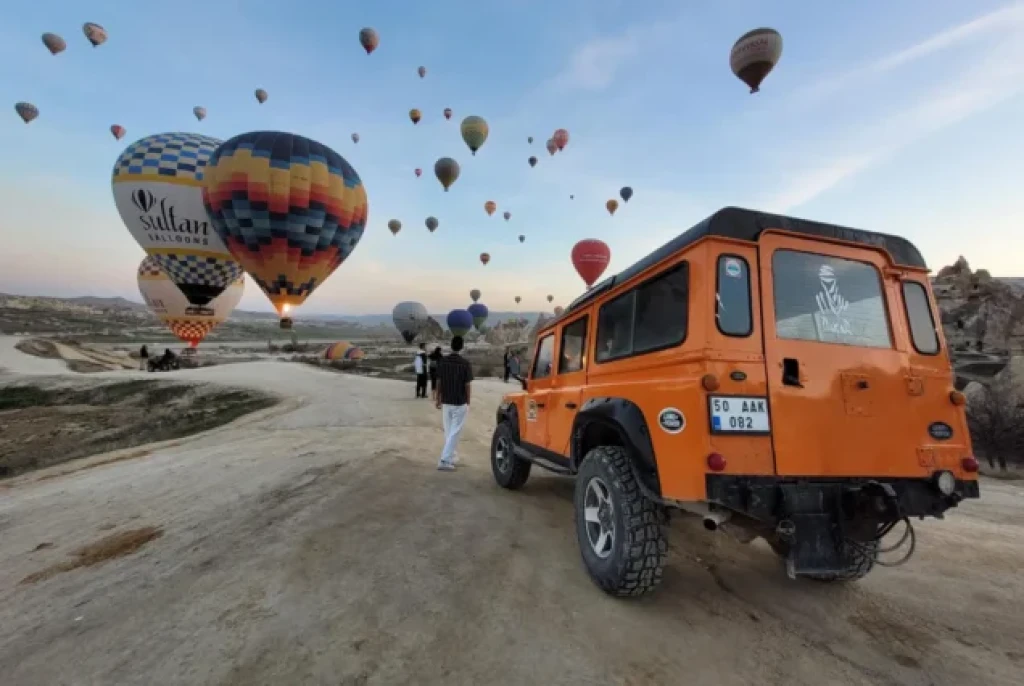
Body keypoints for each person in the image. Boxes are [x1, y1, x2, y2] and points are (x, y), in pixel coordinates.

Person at [434, 336, 474, 471]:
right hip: (459, 401)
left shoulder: (443, 362)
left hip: (447, 401)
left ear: (451, 346)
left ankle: (452, 456)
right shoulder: (465, 364)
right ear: (461, 347)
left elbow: (439, 382)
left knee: (449, 431)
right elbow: (467, 385)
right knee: (455, 432)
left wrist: (438, 398)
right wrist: (468, 401)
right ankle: (444, 460)